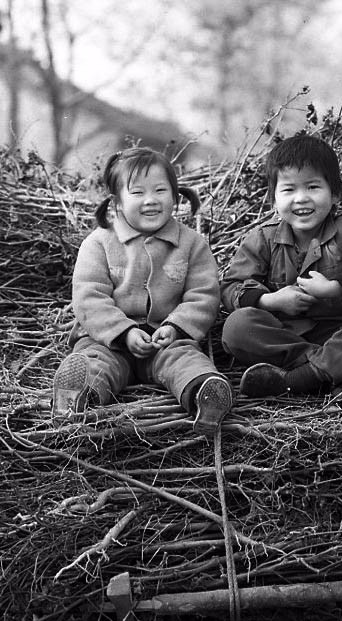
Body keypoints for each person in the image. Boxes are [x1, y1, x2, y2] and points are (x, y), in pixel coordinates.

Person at [52, 146, 232, 434]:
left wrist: (175, 327)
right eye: (137, 192)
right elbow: (89, 297)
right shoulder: (99, 243)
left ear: (175, 196)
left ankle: (204, 395)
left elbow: (204, 294)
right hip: (107, 341)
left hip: (164, 341)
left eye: (160, 190)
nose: (151, 200)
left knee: (184, 360)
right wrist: (124, 332)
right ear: (117, 202)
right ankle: (76, 397)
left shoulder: (192, 244)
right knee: (96, 362)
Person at [220, 134, 342, 398]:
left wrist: (335, 287)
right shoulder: (263, 237)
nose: (301, 198)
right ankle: (332, 370)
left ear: (335, 193)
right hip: (290, 338)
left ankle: (297, 380)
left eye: (312, 187)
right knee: (237, 327)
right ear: (273, 200)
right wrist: (270, 300)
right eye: (289, 189)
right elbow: (231, 285)